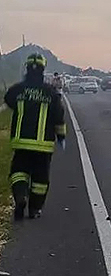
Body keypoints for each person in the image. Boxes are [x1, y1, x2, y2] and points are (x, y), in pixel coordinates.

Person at [2, 53, 66, 220]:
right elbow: (59, 115)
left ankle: (20, 196)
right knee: (40, 180)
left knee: (18, 172)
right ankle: (34, 209)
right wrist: (61, 136)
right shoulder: (50, 92)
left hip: (21, 142)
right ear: (43, 69)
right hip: (43, 145)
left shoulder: (17, 89)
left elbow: (8, 100)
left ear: (27, 68)